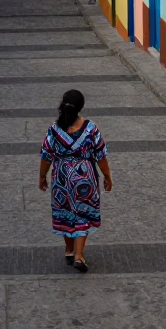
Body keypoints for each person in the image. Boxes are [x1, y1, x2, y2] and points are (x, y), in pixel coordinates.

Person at [39, 89, 111, 272]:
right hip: (85, 177)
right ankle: (79, 256)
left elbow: (46, 156)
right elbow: (100, 155)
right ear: (81, 106)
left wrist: (42, 176)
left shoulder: (54, 129)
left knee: (65, 212)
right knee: (83, 214)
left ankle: (70, 250)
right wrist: (107, 176)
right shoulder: (90, 129)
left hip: (61, 177)